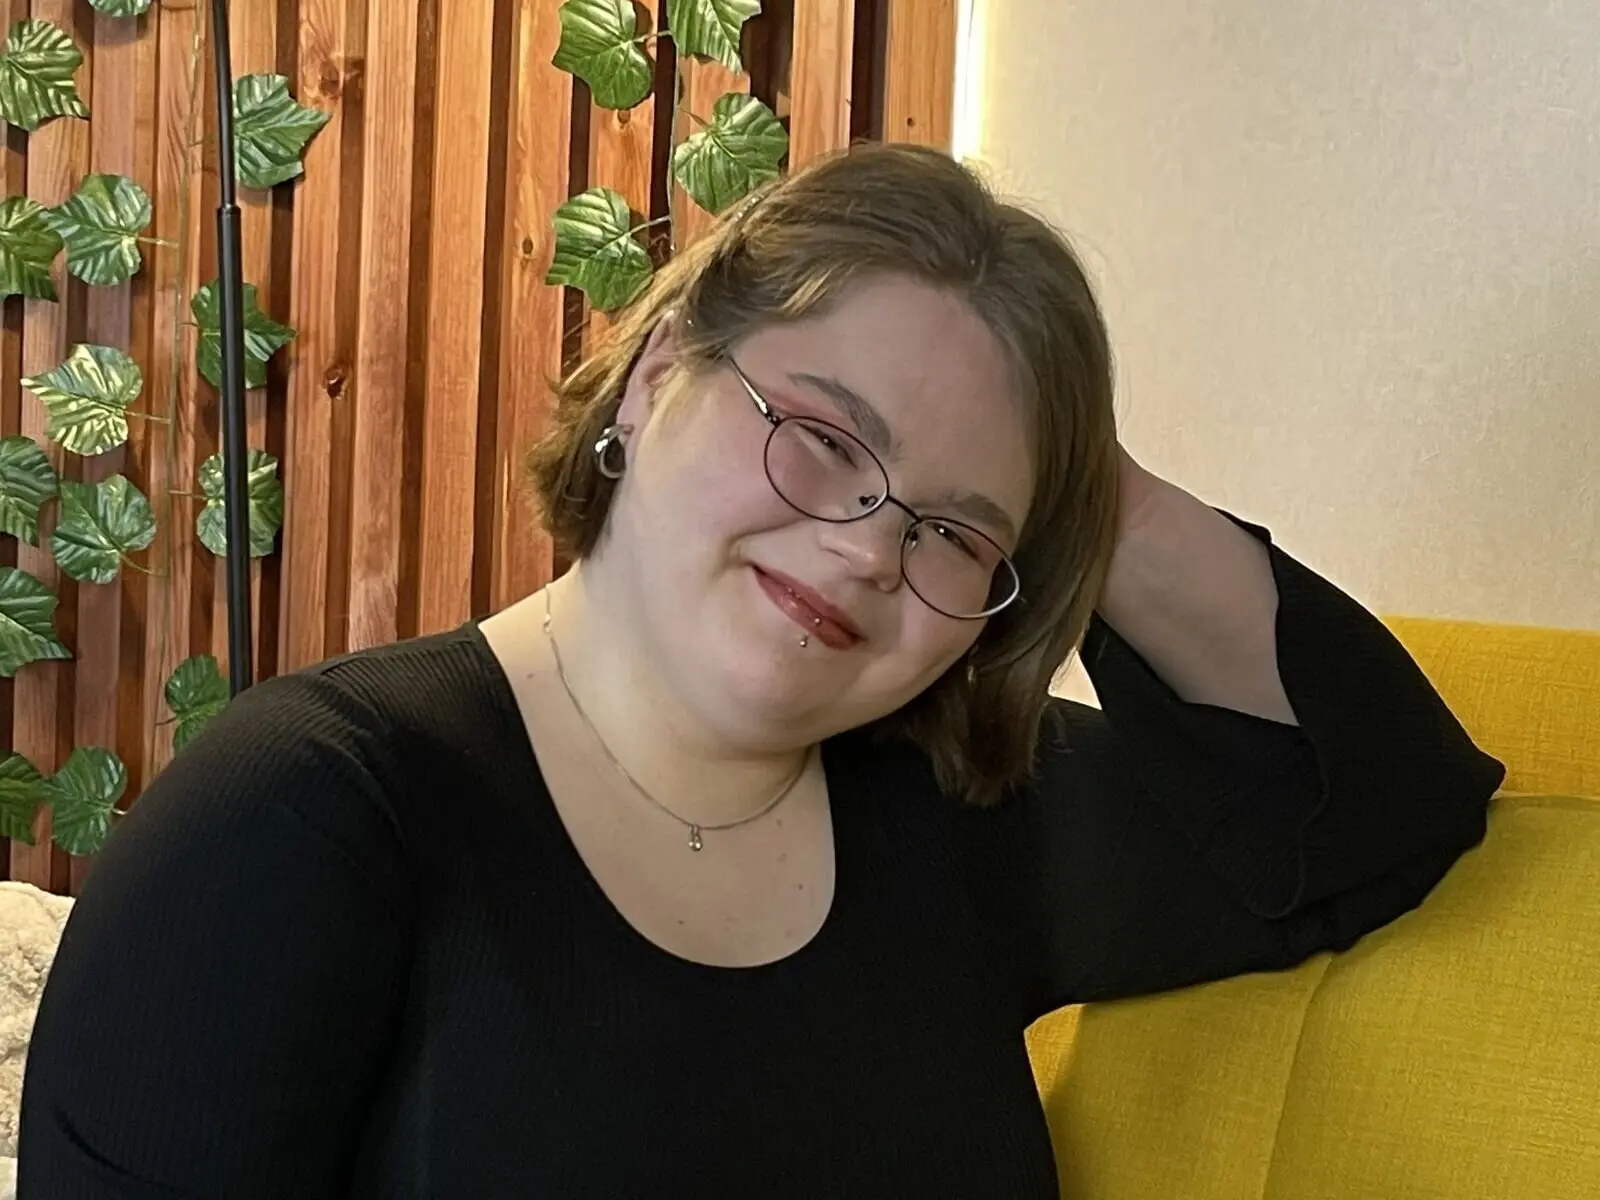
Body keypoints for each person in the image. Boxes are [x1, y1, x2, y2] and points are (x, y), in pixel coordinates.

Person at [19, 143, 1503, 1198]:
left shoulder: (967, 814)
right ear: (662, 371)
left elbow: (1378, 799)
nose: (866, 550)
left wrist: (1077, 479)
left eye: (953, 529)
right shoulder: (306, 819)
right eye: (826, 436)